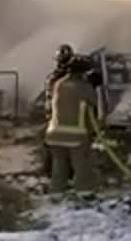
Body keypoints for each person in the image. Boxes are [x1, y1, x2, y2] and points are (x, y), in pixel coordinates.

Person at [45, 57, 100, 193]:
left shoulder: (58, 84)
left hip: (54, 134)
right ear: (82, 73)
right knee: (82, 166)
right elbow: (93, 105)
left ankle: (56, 194)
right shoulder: (84, 87)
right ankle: (85, 193)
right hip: (75, 135)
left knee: (59, 167)